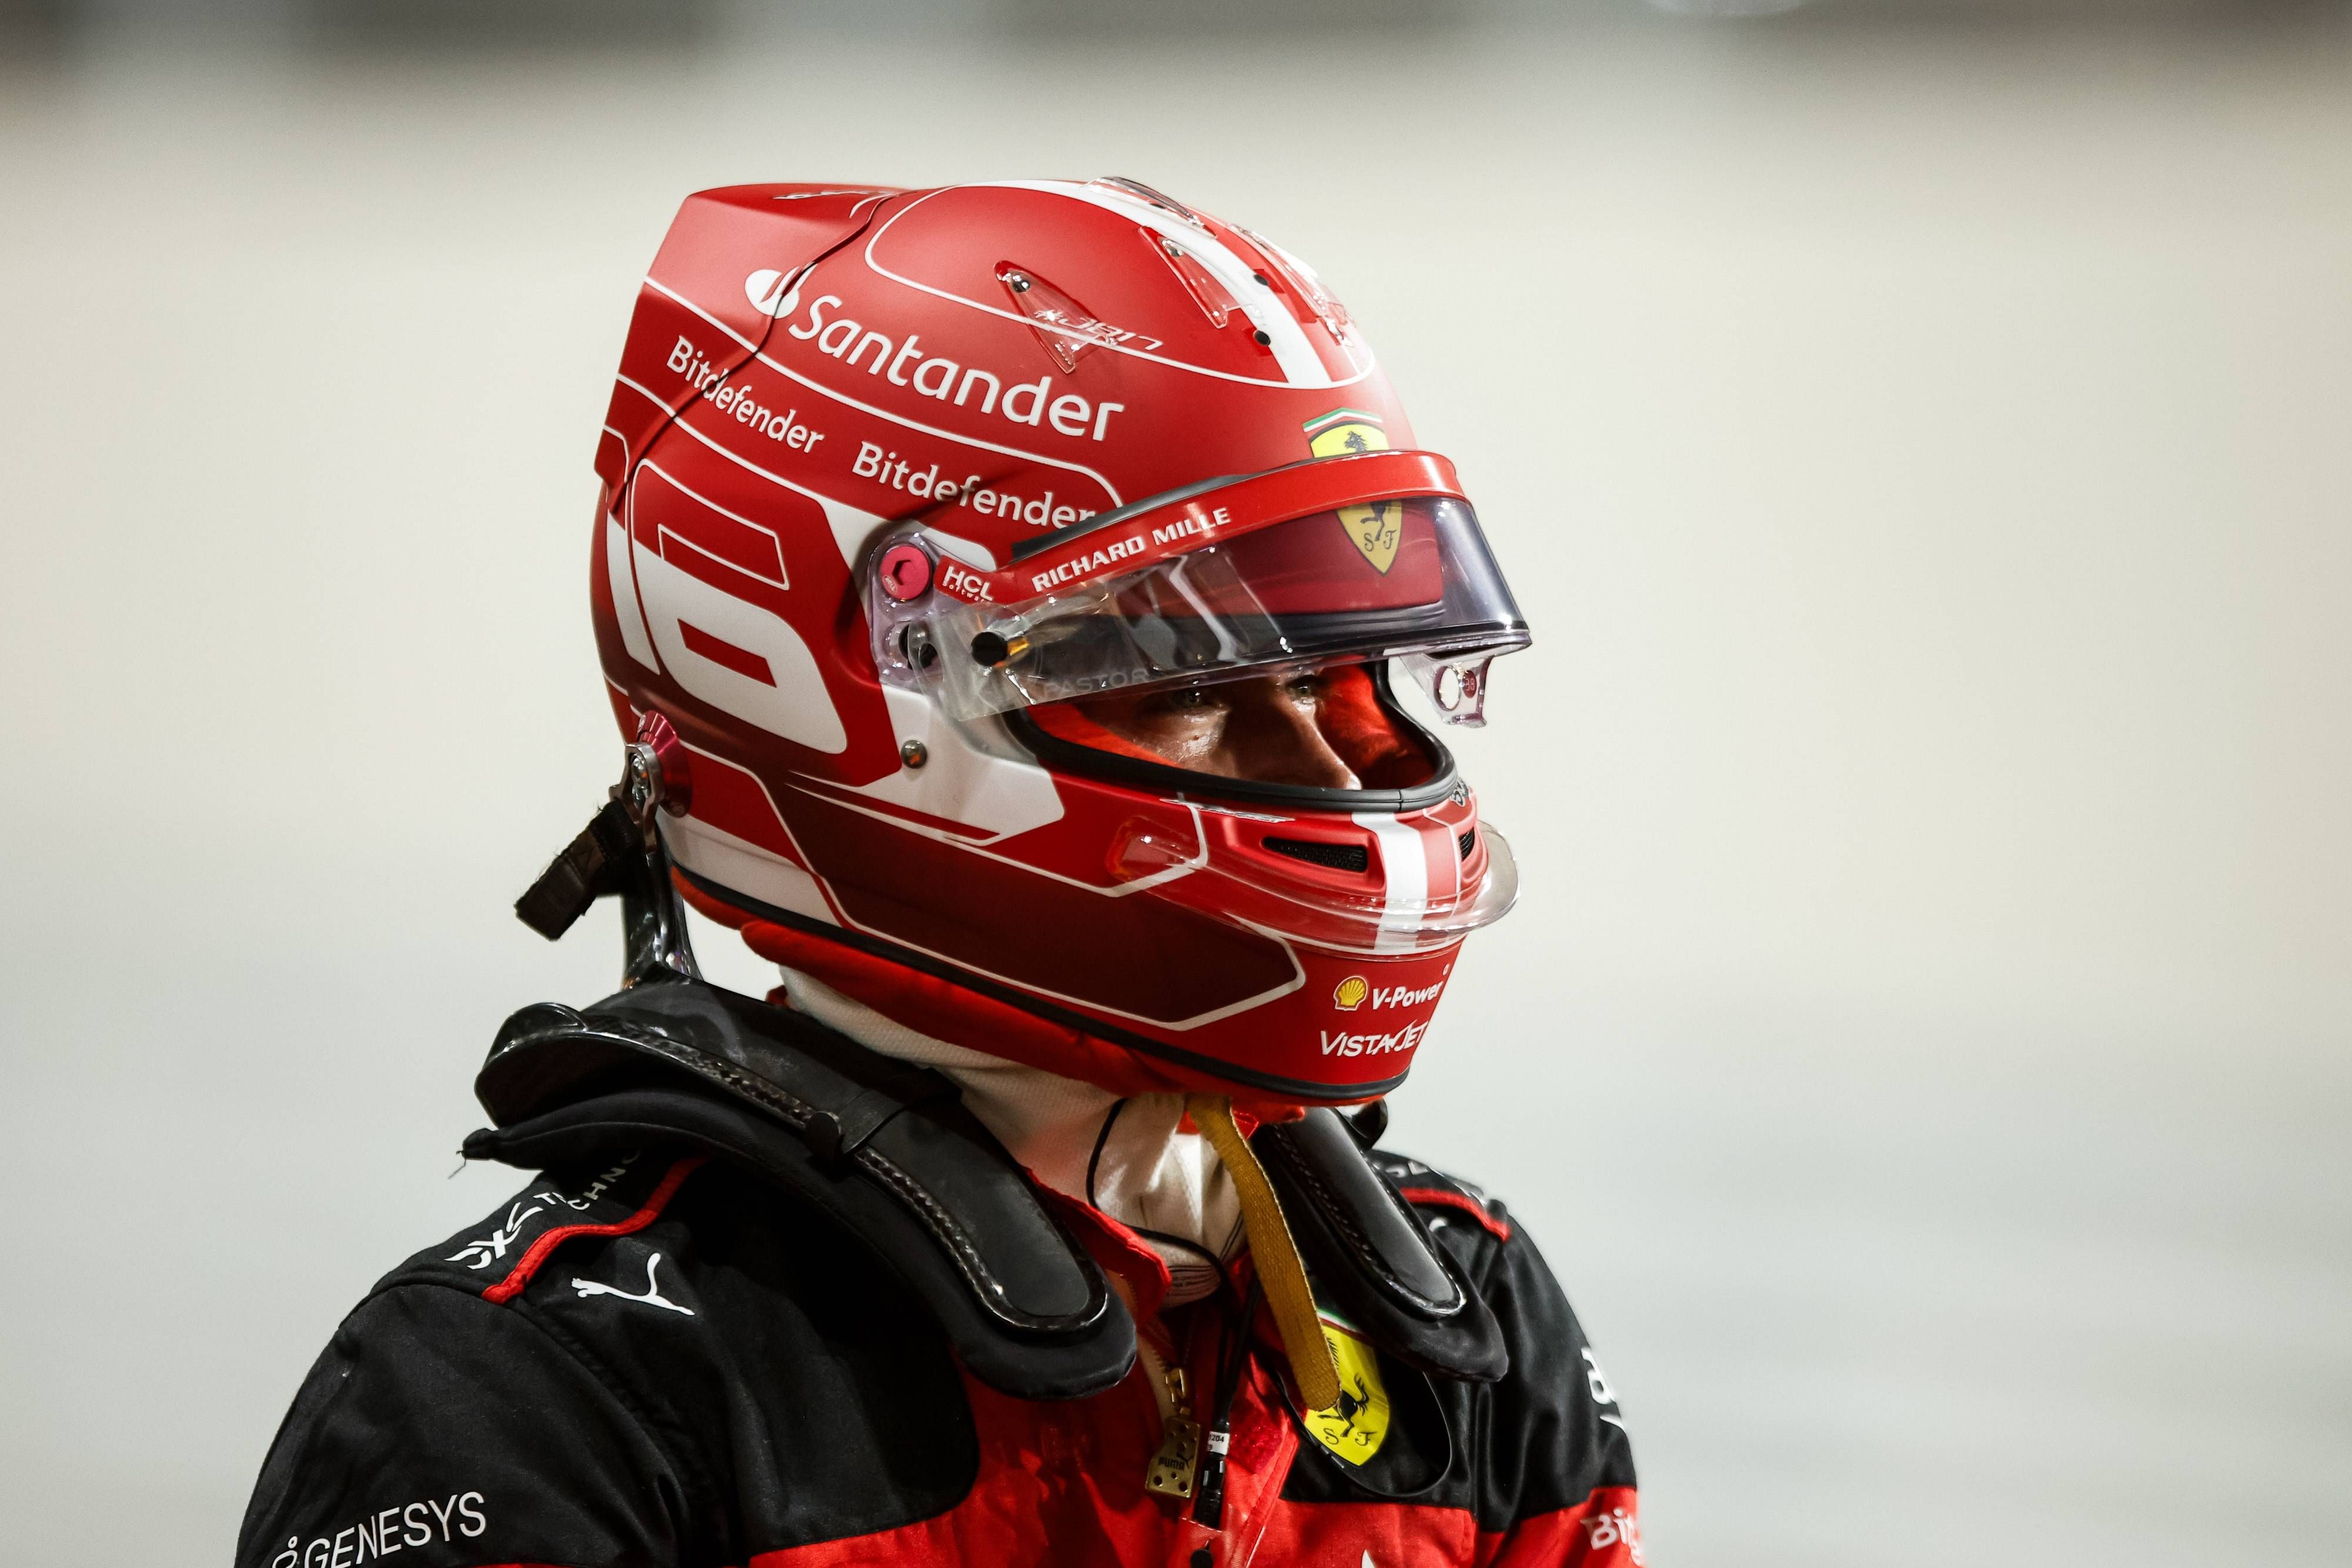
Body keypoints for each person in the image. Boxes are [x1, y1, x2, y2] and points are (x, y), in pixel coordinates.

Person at [238, 178, 1641, 1568]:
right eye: (1195, 680)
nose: (1340, 777)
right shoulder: (539, 1394)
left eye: (1342, 680)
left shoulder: (1470, 1314)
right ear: (876, 691)